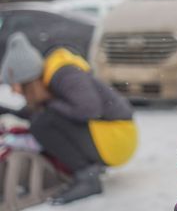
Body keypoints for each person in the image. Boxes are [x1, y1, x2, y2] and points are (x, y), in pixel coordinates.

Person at [0, 32, 137, 205]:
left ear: (27, 79)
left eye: (14, 85)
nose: (14, 91)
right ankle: (82, 173)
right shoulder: (49, 80)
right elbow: (42, 110)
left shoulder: (65, 75)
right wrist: (7, 110)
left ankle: (87, 177)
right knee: (42, 119)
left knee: (42, 123)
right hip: (110, 136)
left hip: (118, 137)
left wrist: (49, 104)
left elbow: (89, 109)